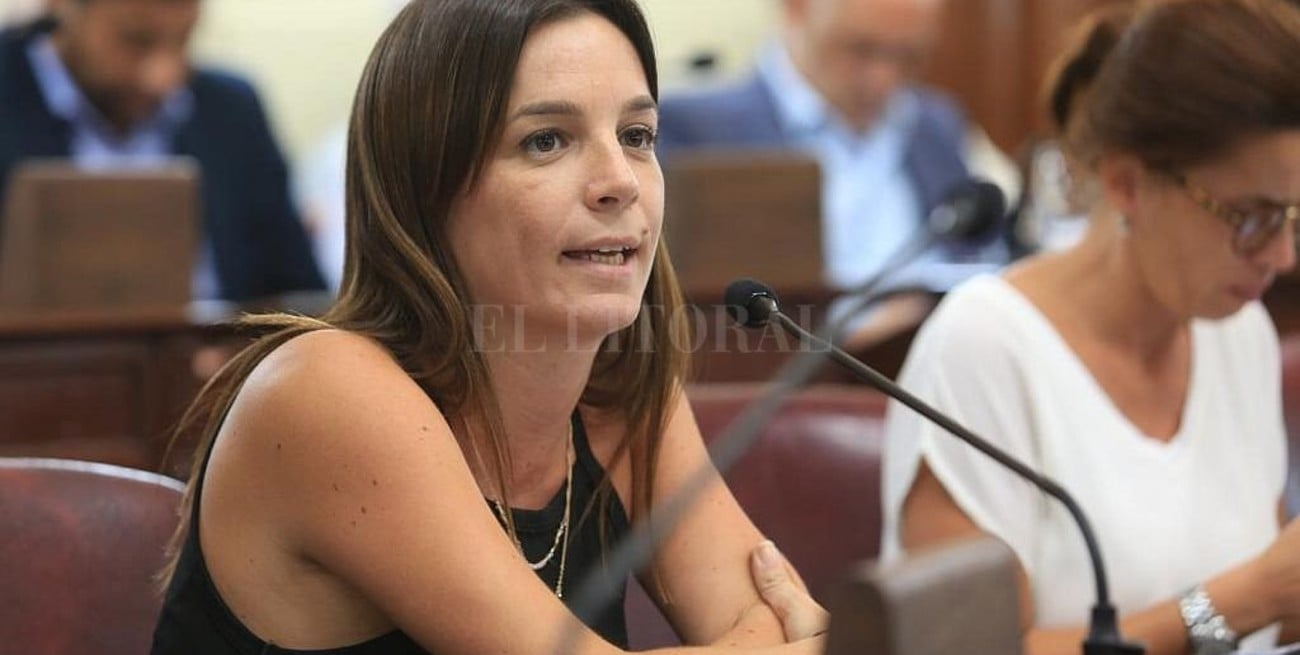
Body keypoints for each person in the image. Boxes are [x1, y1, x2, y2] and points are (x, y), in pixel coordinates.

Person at [150, 1, 826, 653]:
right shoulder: (323, 390)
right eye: (546, 140)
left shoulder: (619, 390)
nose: (619, 181)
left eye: (636, 135)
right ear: (426, 186)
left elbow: (776, 617)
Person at [880, 1, 1300, 654]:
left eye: (1292, 217)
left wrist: (1273, 595)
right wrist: (1240, 600)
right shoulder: (983, 347)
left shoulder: (1237, 331)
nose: (1282, 256)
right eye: (1250, 217)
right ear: (1127, 183)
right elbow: (963, 648)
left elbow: (1272, 616)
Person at [656, 0, 1019, 349]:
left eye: (909, 58)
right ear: (797, 7)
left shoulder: (936, 124)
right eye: (860, 50)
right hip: (782, 375)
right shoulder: (695, 132)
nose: (882, 79)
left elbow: (984, 258)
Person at [0, 0, 324, 302]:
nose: (163, 76)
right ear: (62, 6)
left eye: (183, 41)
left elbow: (297, 293)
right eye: (135, 41)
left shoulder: (231, 110)